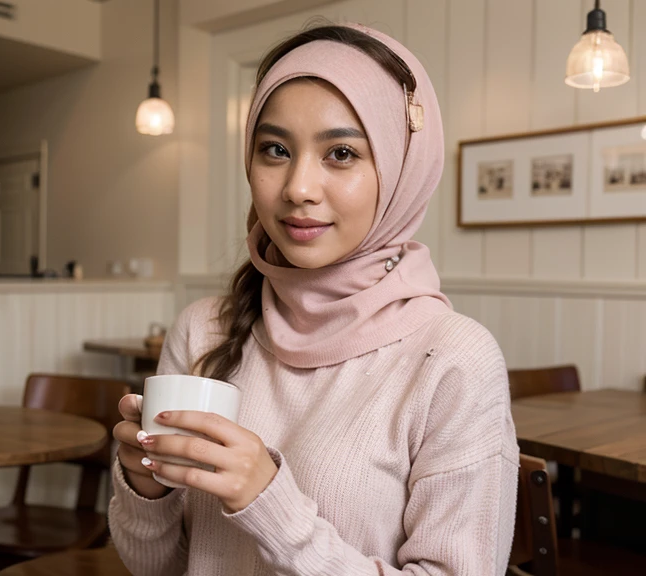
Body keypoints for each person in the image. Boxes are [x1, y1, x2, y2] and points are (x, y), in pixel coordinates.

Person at [110, 22, 519, 576]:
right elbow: (155, 568)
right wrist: (145, 487)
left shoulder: (453, 360)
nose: (298, 186)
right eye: (275, 149)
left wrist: (269, 503)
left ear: (402, 170)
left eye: (341, 153)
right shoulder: (202, 330)